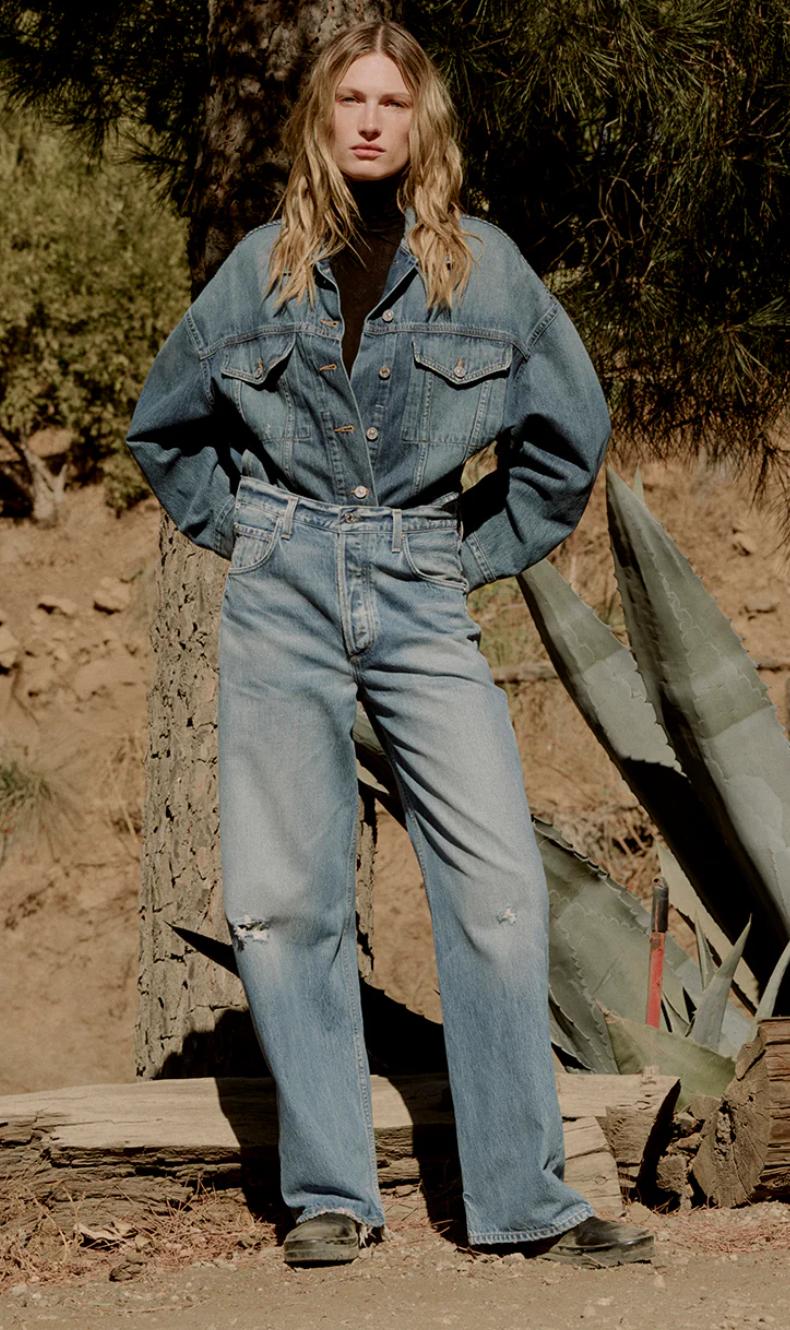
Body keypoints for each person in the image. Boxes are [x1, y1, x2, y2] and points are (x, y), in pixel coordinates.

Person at [127, 20, 653, 1270]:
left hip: (422, 580)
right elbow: (164, 428)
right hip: (281, 589)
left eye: (393, 102)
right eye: (350, 98)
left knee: (497, 887)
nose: (370, 120)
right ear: (320, 116)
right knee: (282, 899)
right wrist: (254, 535)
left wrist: (461, 548)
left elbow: (567, 438)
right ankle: (330, 1194)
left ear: (424, 124)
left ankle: (522, 1199)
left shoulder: (488, 272)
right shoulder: (258, 269)